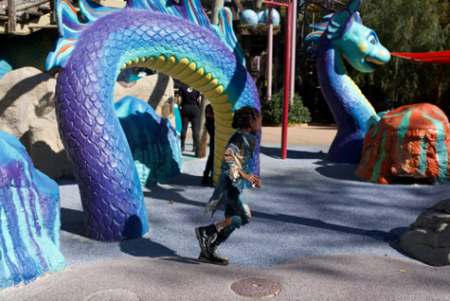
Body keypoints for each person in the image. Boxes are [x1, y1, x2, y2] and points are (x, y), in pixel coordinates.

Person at [195, 106, 262, 266]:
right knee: (245, 216)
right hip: (230, 184)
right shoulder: (238, 138)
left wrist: (252, 177)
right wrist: (244, 174)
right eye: (259, 124)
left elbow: (242, 161)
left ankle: (209, 251)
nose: (260, 128)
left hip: (235, 182)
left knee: (233, 220)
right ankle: (208, 230)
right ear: (251, 122)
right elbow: (227, 157)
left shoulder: (245, 137)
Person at [178, 83, 202, 152]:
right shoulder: (197, 86)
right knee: (195, 128)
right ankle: (194, 147)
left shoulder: (182, 87)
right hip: (195, 109)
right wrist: (199, 109)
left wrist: (179, 108)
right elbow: (200, 100)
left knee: (184, 127)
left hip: (185, 108)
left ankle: (182, 146)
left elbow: (179, 99)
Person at [202, 104, 215, 185]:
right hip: (214, 141)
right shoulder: (208, 123)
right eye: (208, 113)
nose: (209, 114)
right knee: (211, 157)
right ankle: (206, 175)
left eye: (211, 112)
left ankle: (209, 175)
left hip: (216, 142)